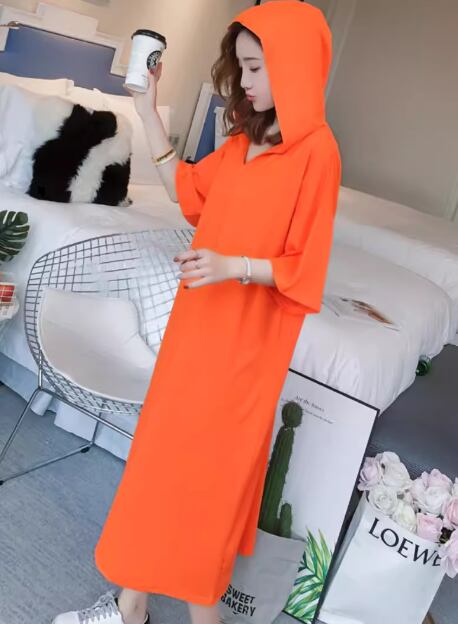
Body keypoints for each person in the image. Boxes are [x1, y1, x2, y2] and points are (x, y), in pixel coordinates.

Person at [52, 1, 341, 623]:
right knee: (160, 464)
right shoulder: (241, 145)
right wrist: (147, 109)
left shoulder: (317, 153)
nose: (246, 81)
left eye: (257, 68)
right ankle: (131, 606)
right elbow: (186, 190)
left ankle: (182, 610)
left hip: (247, 348)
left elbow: (305, 266)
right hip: (197, 328)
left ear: (293, 65)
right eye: (242, 67)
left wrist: (235, 265)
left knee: (208, 481)